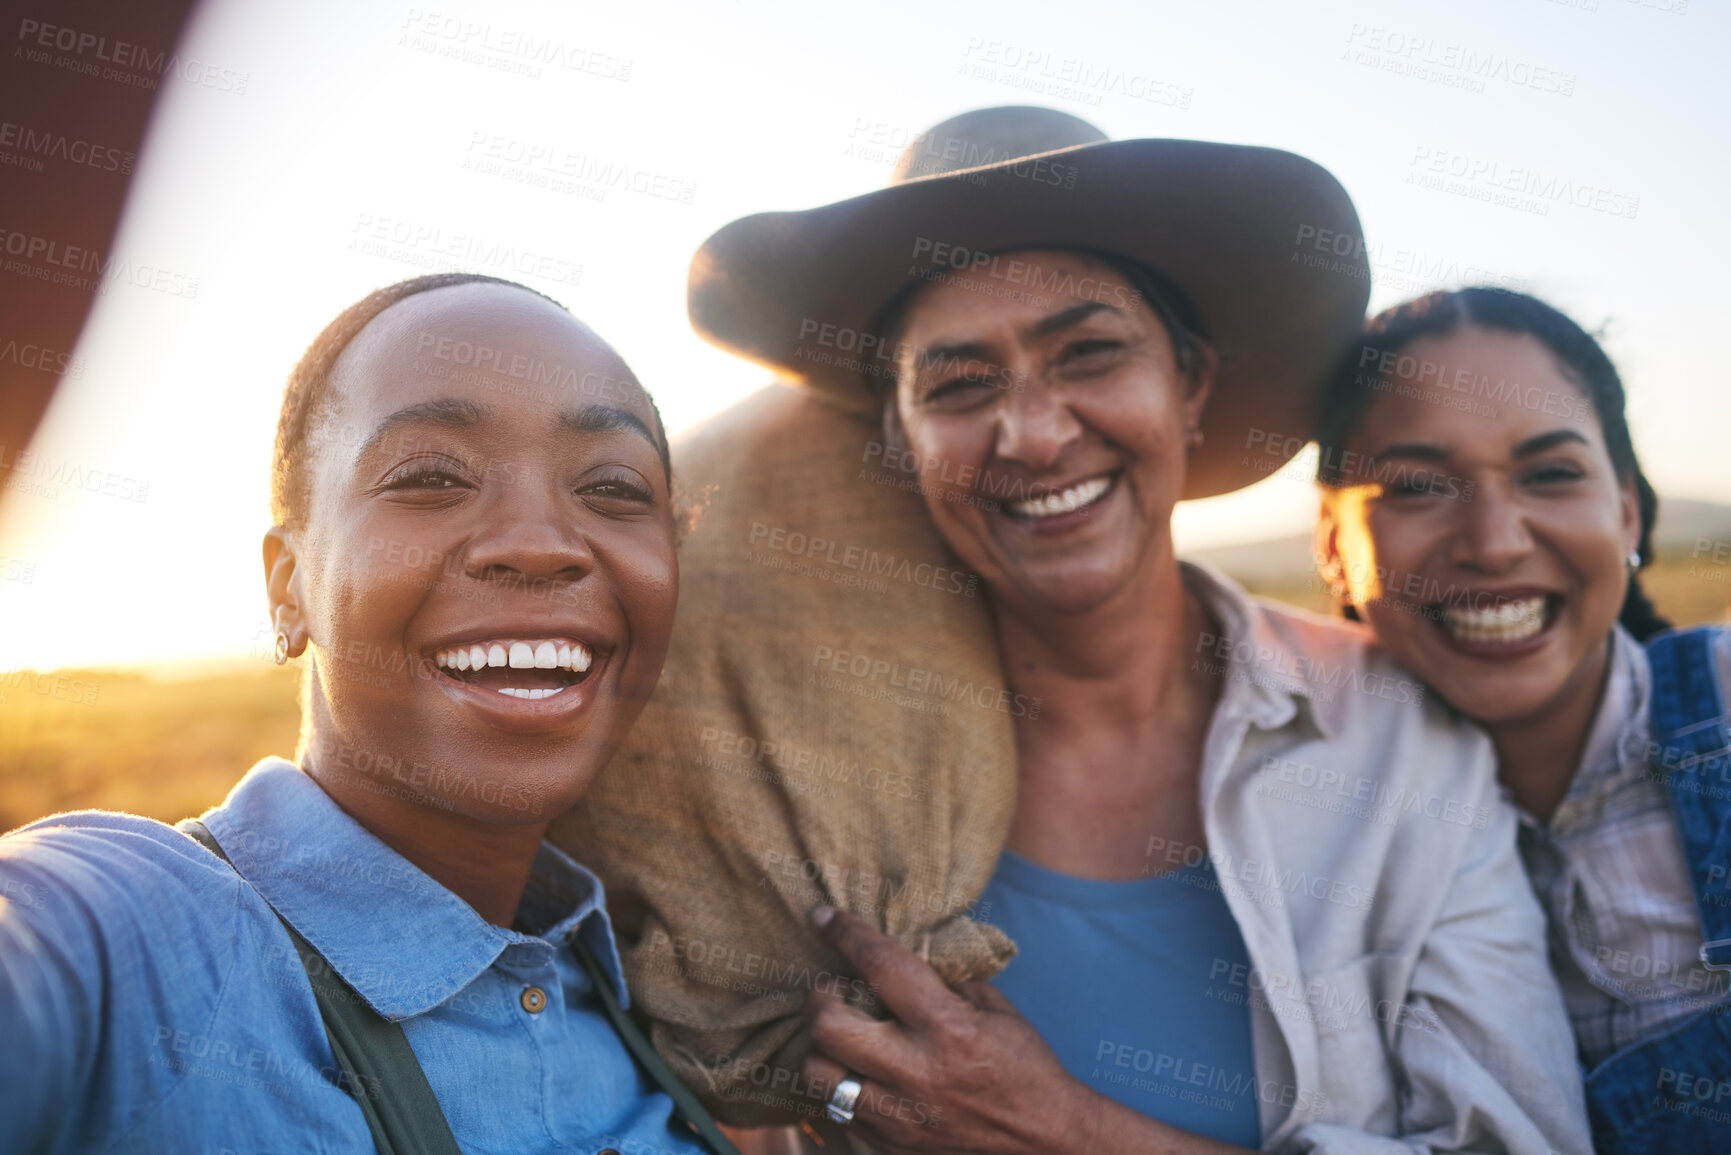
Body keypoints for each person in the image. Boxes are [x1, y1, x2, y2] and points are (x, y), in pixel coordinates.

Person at [564, 109, 1593, 1154]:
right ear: (898, 440)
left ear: (1190, 386)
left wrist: (1063, 1132)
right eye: (958, 385)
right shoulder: (807, 794)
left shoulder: (1397, 749)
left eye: (1091, 354)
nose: (1037, 433)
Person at [0, 272, 737, 1155]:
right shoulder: (141, 936)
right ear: (288, 585)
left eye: (614, 488)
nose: (540, 542)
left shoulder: (665, 988)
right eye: (430, 476)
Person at [1313, 286, 1731, 1154]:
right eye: (1418, 485)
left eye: (1548, 473)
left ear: (1627, 510)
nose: (1494, 541)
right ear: (1331, 544)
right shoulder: (1298, 824)